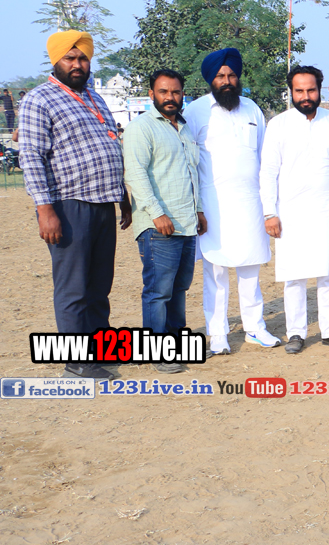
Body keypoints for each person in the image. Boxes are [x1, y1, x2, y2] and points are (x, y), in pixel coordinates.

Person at [21, 30, 132, 380]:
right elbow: (31, 156)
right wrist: (45, 210)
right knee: (74, 287)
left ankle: (101, 353)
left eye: (83, 57)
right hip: (68, 206)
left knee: (99, 286)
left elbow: (110, 145)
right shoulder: (40, 99)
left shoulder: (94, 97)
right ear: (56, 60)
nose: (77, 64)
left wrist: (122, 197)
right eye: (70, 58)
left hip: (103, 203)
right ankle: (77, 361)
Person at [183, 47, 280, 356]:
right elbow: (188, 160)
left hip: (251, 202)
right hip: (213, 205)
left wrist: (269, 206)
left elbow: (264, 157)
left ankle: (255, 328)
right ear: (210, 80)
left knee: (251, 267)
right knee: (216, 272)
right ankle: (217, 333)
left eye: (232, 75)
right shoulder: (196, 111)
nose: (226, 81)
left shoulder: (252, 109)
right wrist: (196, 207)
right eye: (220, 76)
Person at [260, 65, 329, 354]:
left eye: (310, 90)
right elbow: (268, 171)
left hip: (327, 210)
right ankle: (296, 333)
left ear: (319, 90)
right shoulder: (278, 124)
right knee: (294, 276)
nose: (305, 96)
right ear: (291, 92)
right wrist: (269, 212)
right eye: (299, 90)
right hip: (290, 212)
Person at [122, 69, 205, 373]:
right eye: (163, 91)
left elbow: (191, 173)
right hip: (158, 226)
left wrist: (198, 210)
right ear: (151, 94)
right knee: (158, 291)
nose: (170, 97)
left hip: (186, 222)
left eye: (175, 92)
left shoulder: (184, 128)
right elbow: (136, 174)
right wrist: (157, 213)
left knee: (179, 288)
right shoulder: (141, 128)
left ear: (183, 94)